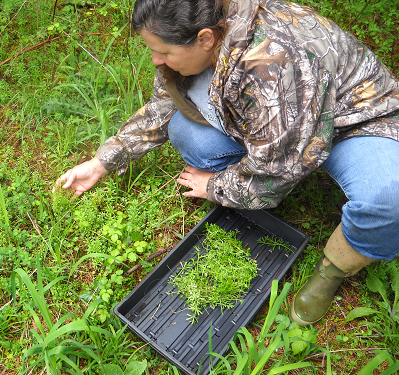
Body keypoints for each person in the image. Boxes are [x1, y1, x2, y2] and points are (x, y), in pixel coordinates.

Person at [55, 0, 399, 326]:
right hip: (284, 124)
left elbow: (279, 171)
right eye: (153, 50)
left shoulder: (271, 66)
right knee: (188, 133)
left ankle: (333, 270)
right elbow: (165, 105)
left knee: (389, 200)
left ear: (205, 39)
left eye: (164, 52)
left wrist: (215, 187)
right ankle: (250, 176)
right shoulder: (204, 18)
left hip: (353, 122)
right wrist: (102, 162)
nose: (156, 61)